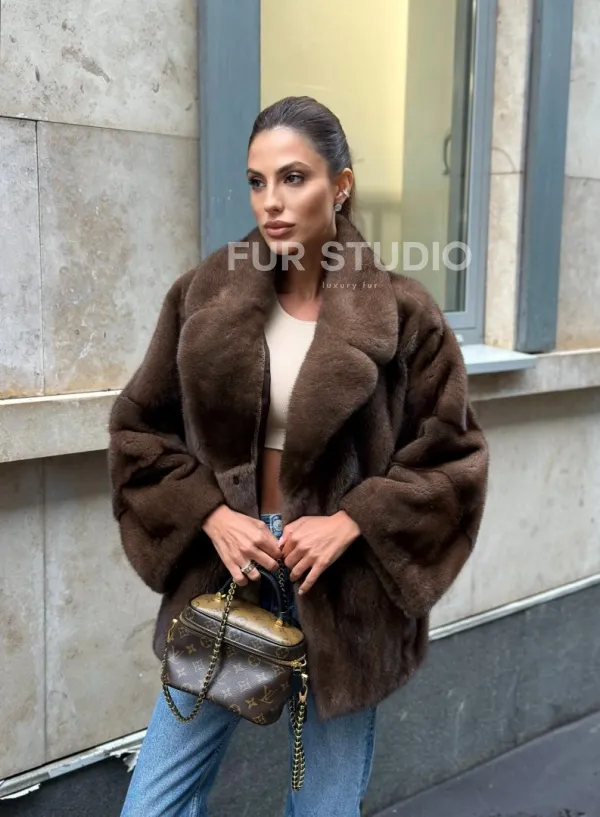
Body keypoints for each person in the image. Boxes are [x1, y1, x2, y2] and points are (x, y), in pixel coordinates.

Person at [108, 95, 489, 817]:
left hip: (345, 591)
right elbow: (139, 430)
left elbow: (453, 458)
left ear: (340, 186)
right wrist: (210, 513)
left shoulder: (404, 312)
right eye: (258, 182)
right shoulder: (204, 296)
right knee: (154, 803)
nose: (272, 203)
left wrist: (354, 520)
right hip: (230, 572)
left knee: (323, 808)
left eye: (294, 178)